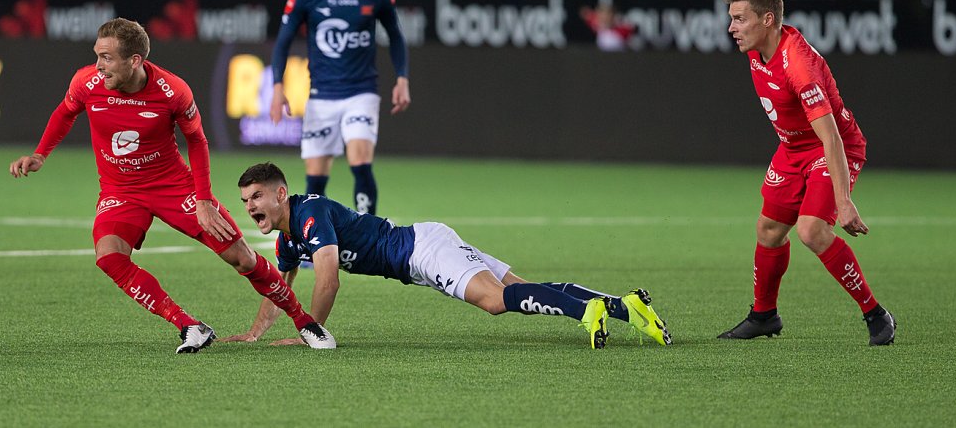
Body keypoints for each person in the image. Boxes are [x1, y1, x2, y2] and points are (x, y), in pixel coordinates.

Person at [8, 18, 335, 353]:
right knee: (109, 256)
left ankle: (306, 323)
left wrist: (203, 201)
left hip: (173, 186)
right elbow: (65, 112)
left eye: (106, 58)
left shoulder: (172, 90)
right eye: (97, 55)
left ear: (134, 60)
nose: (98, 65)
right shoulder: (86, 82)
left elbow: (197, 141)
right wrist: (40, 154)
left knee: (242, 259)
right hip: (120, 190)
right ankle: (189, 326)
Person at [223, 162, 672, 349]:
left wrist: (312, 333)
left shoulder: (310, 213)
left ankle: (587, 312)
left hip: (421, 252)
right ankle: (623, 305)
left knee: (495, 301)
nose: (250, 207)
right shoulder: (288, 241)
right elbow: (277, 290)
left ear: (280, 193)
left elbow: (328, 279)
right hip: (425, 243)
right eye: (245, 201)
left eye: (257, 196)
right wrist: (254, 333)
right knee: (517, 289)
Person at [721, 0, 896, 346]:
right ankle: (764, 316)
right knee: (769, 229)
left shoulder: (799, 66)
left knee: (811, 231)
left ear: (767, 20)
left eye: (739, 19)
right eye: (732, 19)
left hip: (832, 147)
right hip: (792, 148)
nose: (731, 28)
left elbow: (831, 137)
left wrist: (844, 202)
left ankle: (876, 314)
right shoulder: (758, 48)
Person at [269, 0, 410, 216]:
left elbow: (396, 36)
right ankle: (314, 235)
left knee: (360, 160)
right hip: (321, 96)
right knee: (316, 177)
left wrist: (402, 78)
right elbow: (283, 42)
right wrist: (278, 86)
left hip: (362, 92)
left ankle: (370, 231)